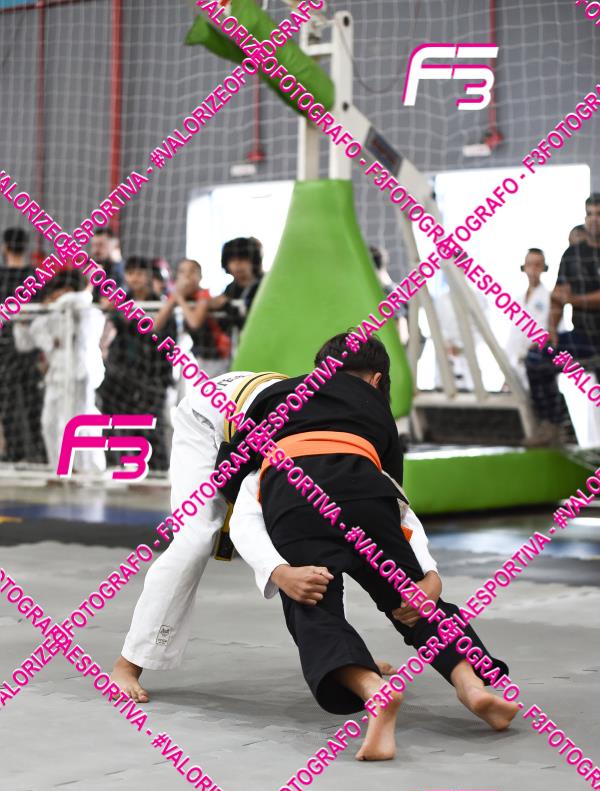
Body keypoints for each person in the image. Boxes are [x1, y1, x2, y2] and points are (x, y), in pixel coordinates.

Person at [220, 334, 519, 761]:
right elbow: (397, 503)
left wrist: (278, 572)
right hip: (366, 491)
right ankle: (471, 686)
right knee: (414, 604)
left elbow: (236, 488)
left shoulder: (279, 395)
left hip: (294, 493)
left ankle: (374, 691)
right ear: (378, 380)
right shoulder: (376, 409)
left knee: (313, 609)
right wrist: (428, 577)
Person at [109, 364, 418, 703]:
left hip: (252, 411)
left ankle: (345, 655)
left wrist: (427, 577)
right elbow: (242, 508)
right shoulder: (298, 426)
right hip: (207, 419)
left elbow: (391, 513)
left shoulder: (363, 426)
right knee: (196, 538)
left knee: (322, 542)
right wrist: (279, 571)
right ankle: (128, 664)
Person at [525, 195, 600, 446]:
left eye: (599, 214)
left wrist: (574, 300)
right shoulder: (572, 255)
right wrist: (551, 329)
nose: (594, 219)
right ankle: (553, 425)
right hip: (584, 339)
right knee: (537, 358)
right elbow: (558, 296)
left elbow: (570, 298)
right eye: (590, 214)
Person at [13, 270, 105, 472]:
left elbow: (79, 300)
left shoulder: (88, 312)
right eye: (56, 291)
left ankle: (87, 470)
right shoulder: (49, 318)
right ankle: (60, 469)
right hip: (56, 377)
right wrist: (22, 320)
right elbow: (24, 343)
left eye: (64, 291)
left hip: (80, 375)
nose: (58, 296)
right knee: (50, 422)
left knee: (80, 422)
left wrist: (62, 300)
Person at [97, 256, 176, 471]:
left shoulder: (162, 304)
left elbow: (165, 340)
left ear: (149, 276)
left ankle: (157, 472)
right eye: (130, 273)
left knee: (151, 425)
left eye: (140, 273)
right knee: (118, 421)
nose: (135, 278)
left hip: (153, 374)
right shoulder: (119, 301)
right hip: (122, 373)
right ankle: (122, 467)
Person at [0, 227, 46, 463]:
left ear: (5, 247)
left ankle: (16, 453)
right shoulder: (35, 276)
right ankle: (37, 453)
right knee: (32, 401)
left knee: (10, 402)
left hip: (11, 348)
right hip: (30, 347)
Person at [154, 258, 231, 378]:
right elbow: (156, 325)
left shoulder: (203, 294)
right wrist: (175, 298)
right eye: (182, 272)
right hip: (201, 356)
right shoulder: (178, 295)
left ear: (200, 277)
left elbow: (195, 323)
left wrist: (179, 299)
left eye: (192, 271)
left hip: (219, 354)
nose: (187, 276)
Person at [505, 249, 550, 389]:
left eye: (537, 265)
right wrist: (506, 372)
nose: (533, 269)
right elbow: (513, 337)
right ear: (524, 267)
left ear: (544, 268)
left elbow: (554, 335)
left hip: (539, 366)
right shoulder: (518, 301)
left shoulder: (550, 299)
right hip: (516, 368)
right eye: (529, 264)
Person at [90, 227, 124, 304]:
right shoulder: (99, 274)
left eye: (101, 245)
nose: (96, 250)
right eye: (94, 245)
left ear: (114, 245)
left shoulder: (123, 270)